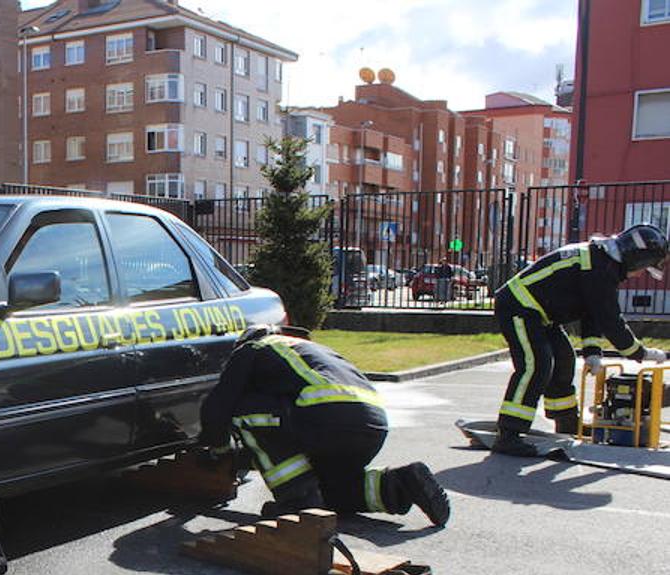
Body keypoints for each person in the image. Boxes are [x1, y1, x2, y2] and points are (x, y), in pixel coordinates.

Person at [199, 325, 450, 525]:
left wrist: (220, 451)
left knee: (243, 413)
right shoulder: (310, 349)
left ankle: (296, 503)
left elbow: (216, 408)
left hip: (326, 419)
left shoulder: (252, 348)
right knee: (330, 489)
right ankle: (402, 484)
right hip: (372, 425)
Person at [490, 223, 669, 456]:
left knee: (563, 361)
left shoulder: (602, 263)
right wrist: (640, 354)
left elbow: (592, 311)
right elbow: (610, 321)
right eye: (643, 268)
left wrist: (592, 351)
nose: (638, 275)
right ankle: (509, 433)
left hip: (540, 315)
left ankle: (565, 422)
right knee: (536, 366)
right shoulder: (599, 268)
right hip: (518, 307)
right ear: (637, 258)